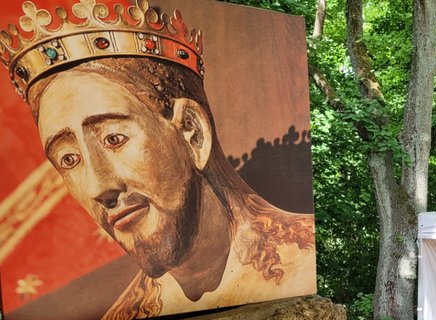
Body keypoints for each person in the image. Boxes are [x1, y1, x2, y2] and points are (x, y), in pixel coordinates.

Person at [1, 1, 316, 317]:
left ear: (193, 132)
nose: (99, 186)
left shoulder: (300, 261)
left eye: (114, 139)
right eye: (69, 159)